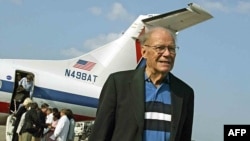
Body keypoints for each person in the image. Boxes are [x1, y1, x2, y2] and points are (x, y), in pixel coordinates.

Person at [88, 27, 195, 141]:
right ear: (144, 52)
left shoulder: (184, 93)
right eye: (160, 48)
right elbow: (100, 133)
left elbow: (184, 136)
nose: (167, 53)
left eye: (172, 49)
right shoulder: (118, 84)